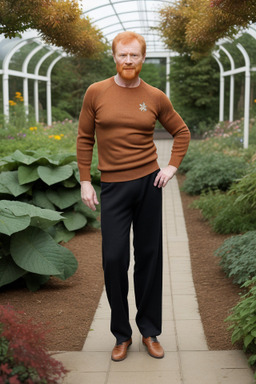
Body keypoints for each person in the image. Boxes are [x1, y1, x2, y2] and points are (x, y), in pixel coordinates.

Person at [77, 31, 190, 362]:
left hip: (148, 185)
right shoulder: (96, 92)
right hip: (112, 187)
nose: (128, 60)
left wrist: (170, 168)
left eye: (134, 56)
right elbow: (85, 138)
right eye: (123, 55)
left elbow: (180, 132)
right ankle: (120, 334)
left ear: (143, 58)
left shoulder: (155, 96)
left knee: (149, 258)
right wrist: (86, 181)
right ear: (114, 56)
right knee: (114, 259)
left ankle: (149, 331)